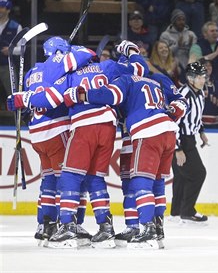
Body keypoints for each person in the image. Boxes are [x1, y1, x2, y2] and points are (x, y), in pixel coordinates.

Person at [12, 41, 148, 248]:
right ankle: (105, 228)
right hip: (109, 125)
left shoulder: (69, 76)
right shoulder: (107, 66)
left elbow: (49, 99)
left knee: (70, 175)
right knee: (95, 177)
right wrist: (131, 51)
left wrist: (24, 98)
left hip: (85, 125)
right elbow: (139, 70)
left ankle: (67, 227)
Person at [74, 71, 185, 249]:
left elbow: (111, 95)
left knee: (141, 182)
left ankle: (147, 230)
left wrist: (82, 95)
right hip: (167, 130)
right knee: (157, 182)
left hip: (146, 129)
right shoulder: (154, 79)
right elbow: (180, 100)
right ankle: (155, 229)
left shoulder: (123, 78)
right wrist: (172, 112)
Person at [7, 37, 94, 245]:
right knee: (70, 179)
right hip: (57, 129)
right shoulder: (59, 63)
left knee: (49, 180)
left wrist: (21, 100)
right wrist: (74, 49)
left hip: (37, 134)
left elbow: (27, 101)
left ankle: (45, 225)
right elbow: (89, 53)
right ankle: (69, 224)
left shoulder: (32, 72)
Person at [171, 61, 209, 223]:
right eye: (200, 77)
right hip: (181, 140)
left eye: (204, 77)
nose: (203, 80)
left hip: (189, 138)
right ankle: (187, 211)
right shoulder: (183, 95)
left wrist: (201, 131)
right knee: (198, 174)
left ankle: (176, 212)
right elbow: (174, 123)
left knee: (181, 176)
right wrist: (178, 148)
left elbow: (196, 116)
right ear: (190, 78)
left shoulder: (199, 92)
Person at [0, 0, 22, 103]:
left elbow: (22, 49)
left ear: (8, 10)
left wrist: (11, 50)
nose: (0, 9)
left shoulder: (16, 26)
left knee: (13, 96)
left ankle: (17, 119)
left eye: (2, 7)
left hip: (7, 66)